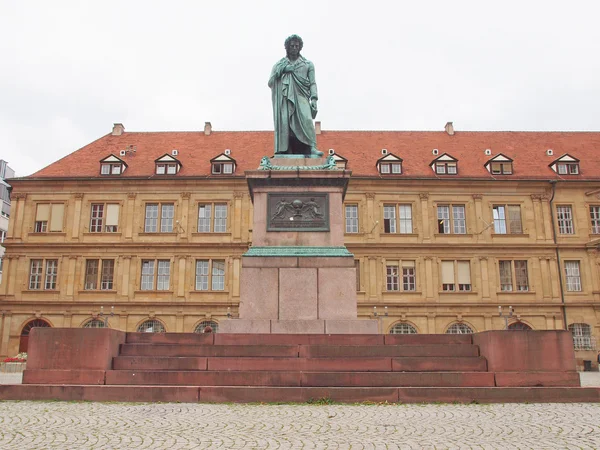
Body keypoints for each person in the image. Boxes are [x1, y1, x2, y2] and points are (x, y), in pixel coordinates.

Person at [268, 35, 323, 157]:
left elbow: (313, 83)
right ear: (287, 47)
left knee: (307, 119)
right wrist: (283, 70)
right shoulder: (279, 64)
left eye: (296, 46)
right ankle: (286, 149)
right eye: (291, 46)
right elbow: (270, 82)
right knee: (286, 123)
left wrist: (314, 98)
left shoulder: (308, 64)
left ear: (300, 48)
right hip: (285, 98)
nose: (294, 48)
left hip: (302, 95)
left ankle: (311, 148)